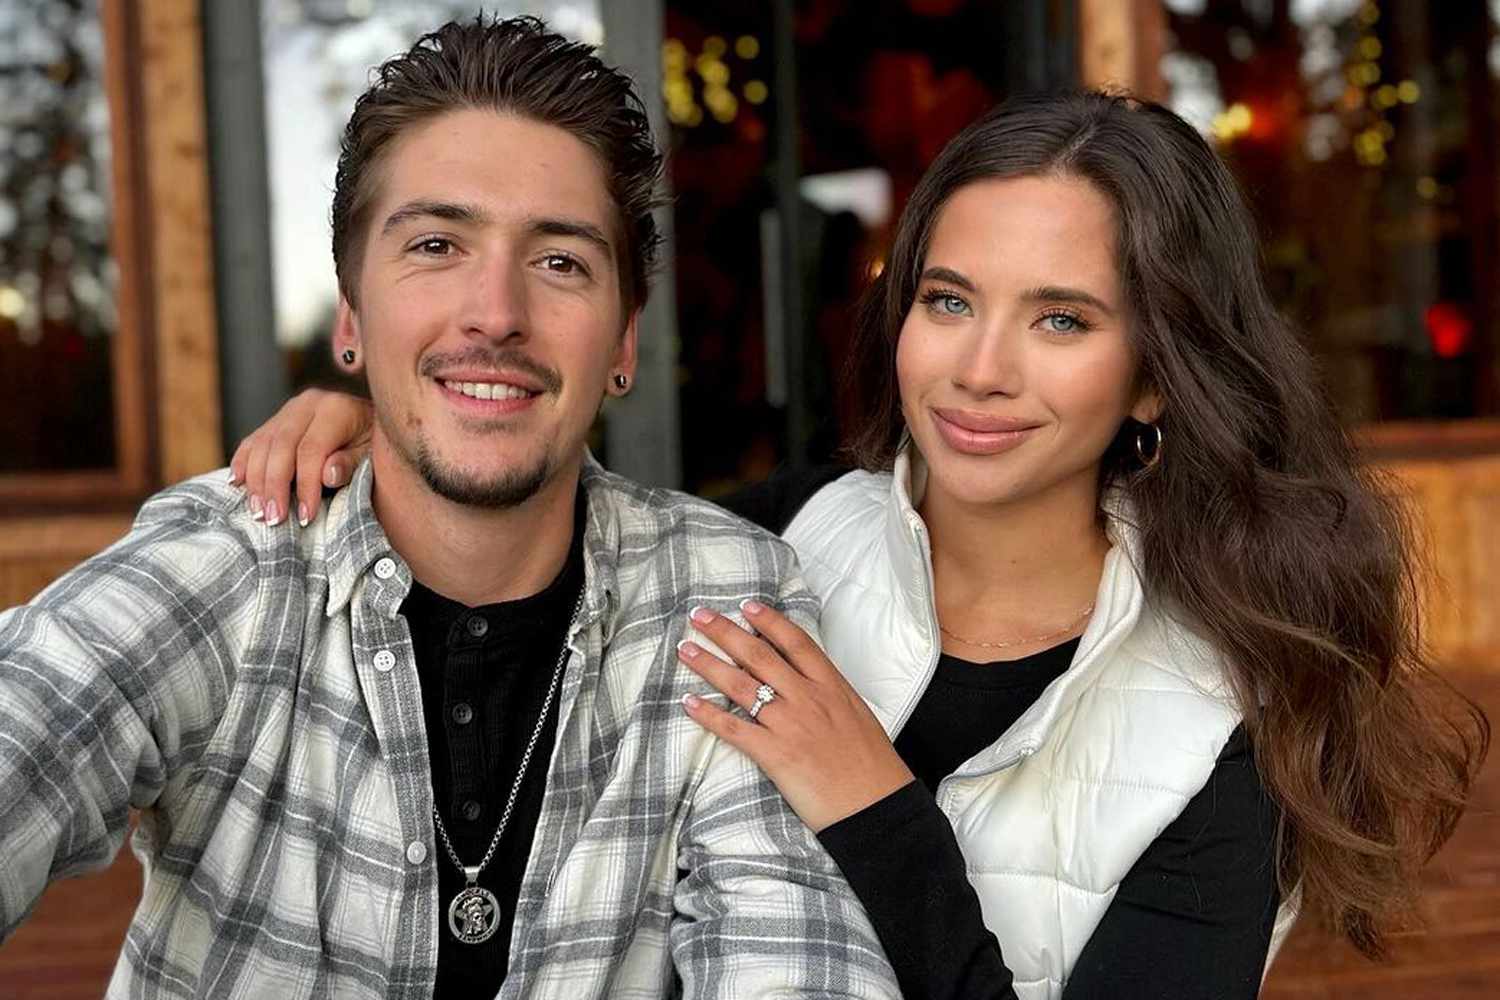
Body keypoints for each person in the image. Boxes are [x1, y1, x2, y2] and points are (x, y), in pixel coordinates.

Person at [233, 92, 1490, 1000]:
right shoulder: (777, 535)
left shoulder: (1227, 722)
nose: (980, 369)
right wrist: (384, 431)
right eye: (949, 300)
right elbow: (526, 538)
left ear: (1156, 374)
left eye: (1060, 319)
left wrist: (872, 805)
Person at [0, 17, 902, 1000]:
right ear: (352, 316)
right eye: (436, 244)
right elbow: (33, 719)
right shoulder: (231, 559)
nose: (496, 314)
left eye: (560, 261)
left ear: (623, 342)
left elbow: (795, 957)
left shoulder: (725, 597)